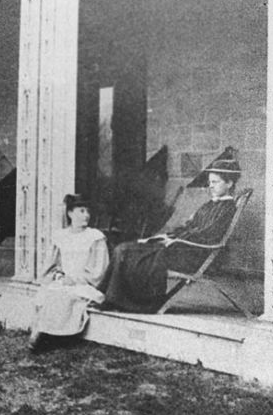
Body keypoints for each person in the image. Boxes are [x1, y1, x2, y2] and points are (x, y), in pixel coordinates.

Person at [100, 148, 242, 314]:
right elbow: (189, 227)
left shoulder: (227, 208)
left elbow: (207, 235)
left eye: (215, 182)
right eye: (210, 182)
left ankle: (121, 301)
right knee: (123, 249)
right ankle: (108, 297)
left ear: (230, 183)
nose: (210, 186)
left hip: (191, 254)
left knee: (125, 251)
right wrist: (167, 236)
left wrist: (175, 240)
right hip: (180, 246)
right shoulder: (209, 205)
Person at [28, 194, 109, 352]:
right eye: (81, 211)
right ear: (70, 213)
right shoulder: (61, 236)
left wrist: (76, 279)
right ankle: (42, 333)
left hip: (86, 284)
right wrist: (59, 276)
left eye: (88, 211)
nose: (86, 215)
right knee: (48, 292)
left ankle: (49, 337)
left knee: (64, 296)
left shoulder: (95, 237)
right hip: (64, 280)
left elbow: (100, 270)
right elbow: (53, 265)